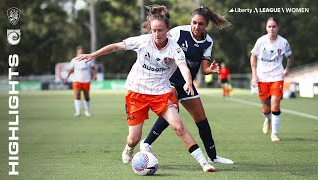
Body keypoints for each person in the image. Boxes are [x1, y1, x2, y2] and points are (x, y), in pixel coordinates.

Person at [76, 5, 216, 172]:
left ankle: (204, 163)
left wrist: (188, 81)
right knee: (134, 138)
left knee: (178, 126)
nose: (157, 34)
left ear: (167, 30)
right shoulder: (142, 41)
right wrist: (93, 55)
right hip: (137, 92)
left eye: (160, 30)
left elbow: (183, 66)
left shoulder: (174, 48)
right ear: (150, 30)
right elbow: (115, 46)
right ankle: (129, 147)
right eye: (154, 30)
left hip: (161, 93)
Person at [140, 6, 234, 164]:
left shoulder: (208, 41)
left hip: (187, 83)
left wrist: (210, 70)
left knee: (201, 118)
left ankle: (213, 156)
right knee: (172, 110)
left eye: (201, 24)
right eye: (194, 22)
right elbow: (160, 42)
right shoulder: (179, 32)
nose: (197, 27)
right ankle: (146, 143)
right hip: (169, 79)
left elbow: (203, 69)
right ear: (191, 21)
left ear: (207, 25)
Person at [250, 17, 294, 142]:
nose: (271, 29)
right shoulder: (261, 41)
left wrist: (287, 68)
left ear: (278, 28)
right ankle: (268, 119)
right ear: (266, 28)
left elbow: (290, 56)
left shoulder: (283, 42)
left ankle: (274, 134)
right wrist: (254, 75)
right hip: (262, 77)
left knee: (275, 103)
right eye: (269, 27)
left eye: (274, 26)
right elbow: (253, 57)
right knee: (265, 108)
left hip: (277, 76)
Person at [64, 47, 97, 117]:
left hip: (86, 80)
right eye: (79, 52)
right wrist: (66, 78)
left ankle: (87, 111)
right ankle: (78, 111)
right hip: (76, 80)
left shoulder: (88, 59)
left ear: (83, 52)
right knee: (77, 95)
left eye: (81, 52)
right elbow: (71, 70)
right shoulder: (74, 60)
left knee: (86, 96)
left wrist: (95, 75)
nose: (80, 53)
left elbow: (93, 68)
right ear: (77, 53)